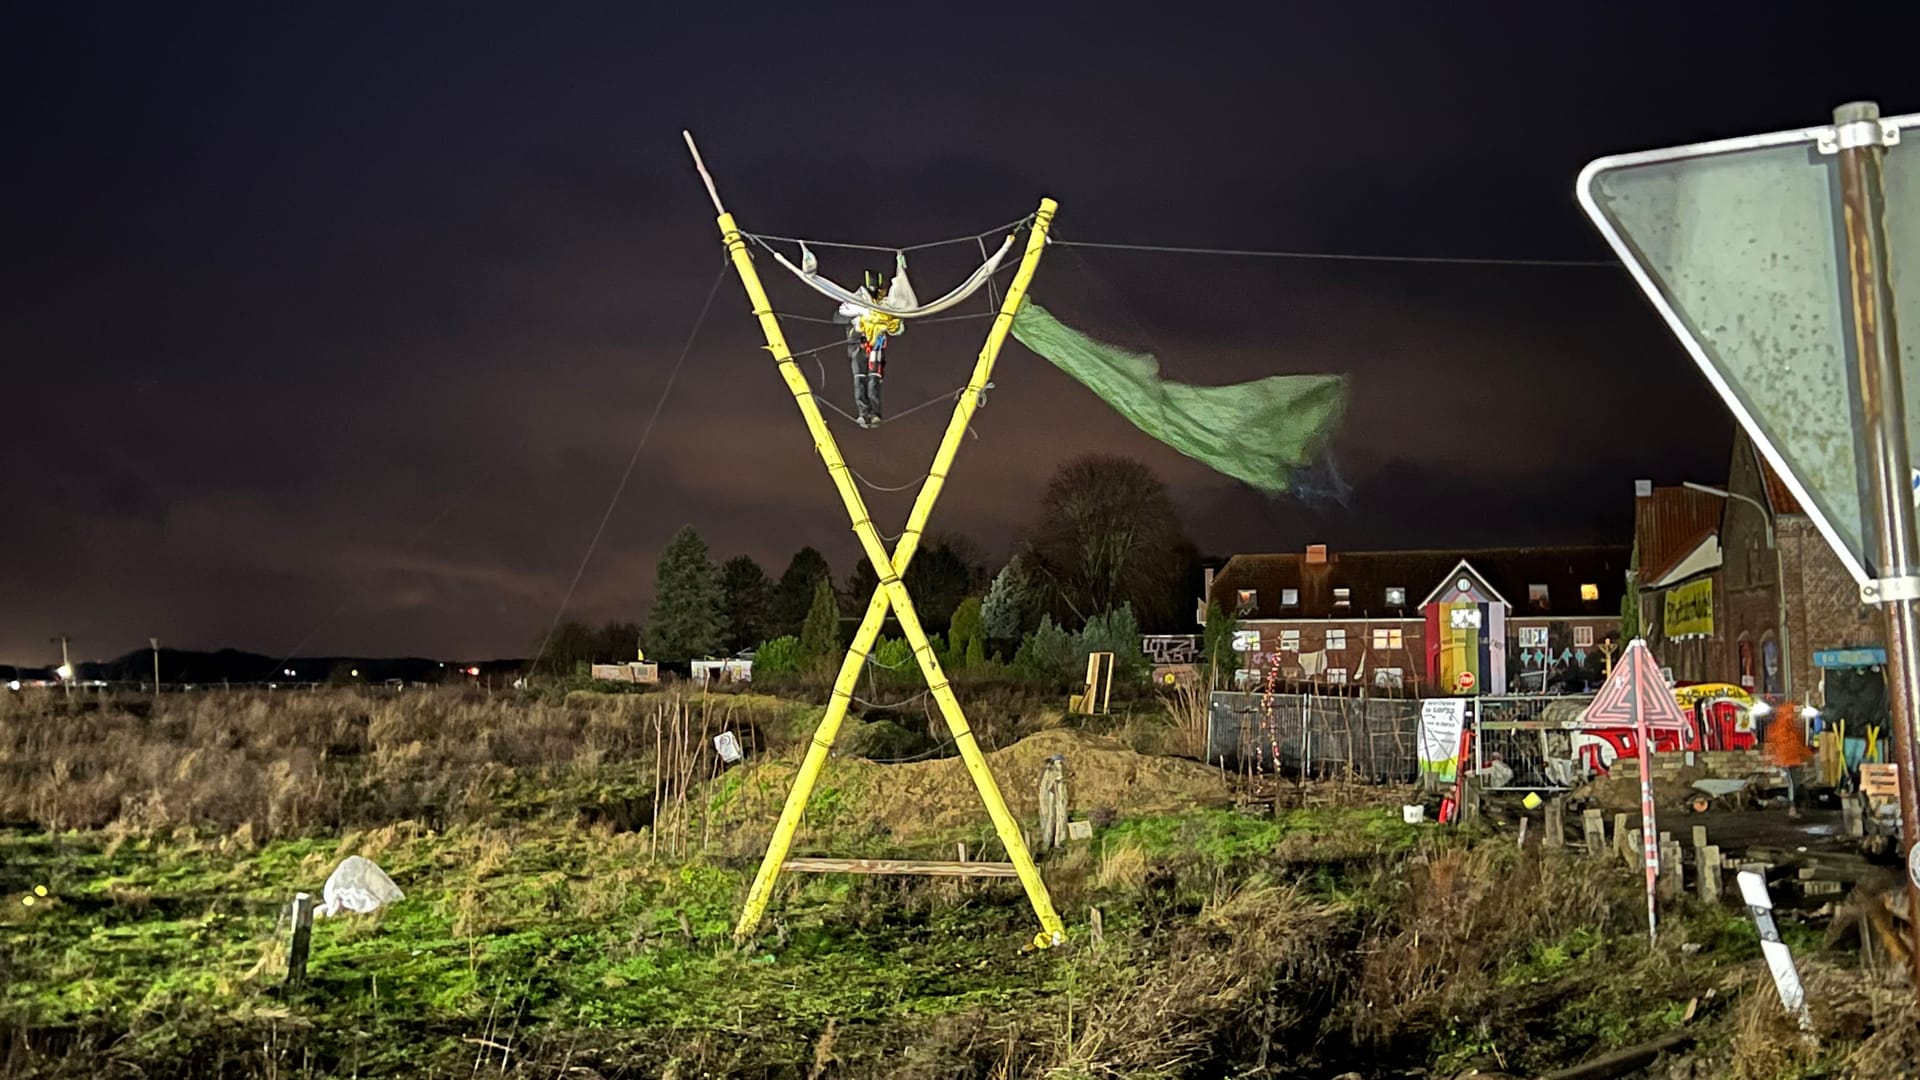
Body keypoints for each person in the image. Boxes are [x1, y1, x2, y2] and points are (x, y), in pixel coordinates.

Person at [834, 269, 903, 428]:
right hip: (858, 346)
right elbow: (837, 317)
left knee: (873, 380)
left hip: (876, 346)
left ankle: (874, 414)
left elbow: (896, 327)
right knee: (860, 379)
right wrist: (858, 314)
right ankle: (864, 413)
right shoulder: (854, 303)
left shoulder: (883, 305)